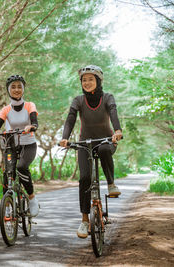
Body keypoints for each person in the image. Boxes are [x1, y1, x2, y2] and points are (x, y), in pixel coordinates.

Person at [59, 65, 123, 238]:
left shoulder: (108, 97)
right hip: (84, 143)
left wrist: (117, 131)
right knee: (85, 178)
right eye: (84, 80)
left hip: (107, 140)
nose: (87, 82)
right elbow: (70, 119)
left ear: (99, 81)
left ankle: (111, 184)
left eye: (91, 79)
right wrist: (65, 138)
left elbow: (113, 112)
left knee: (103, 149)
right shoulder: (78, 100)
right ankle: (85, 220)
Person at [0, 75, 39, 217]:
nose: (16, 89)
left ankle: (31, 198)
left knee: (21, 168)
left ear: (23, 89)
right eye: (13, 87)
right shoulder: (6, 109)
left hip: (28, 144)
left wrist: (31, 126)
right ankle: (7, 205)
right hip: (11, 145)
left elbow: (34, 120)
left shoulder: (29, 105)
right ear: (8, 90)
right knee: (8, 172)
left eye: (19, 86)